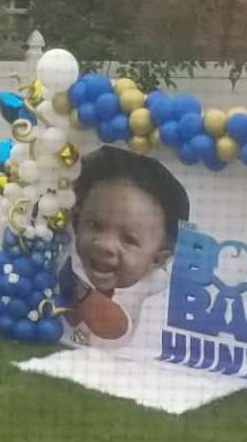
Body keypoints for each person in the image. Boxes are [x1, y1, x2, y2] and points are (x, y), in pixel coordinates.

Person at [57, 146, 187, 357]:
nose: (104, 245)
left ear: (157, 259)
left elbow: (115, 328)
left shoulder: (150, 282)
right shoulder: (70, 250)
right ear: (77, 219)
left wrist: (79, 291)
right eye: (94, 225)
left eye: (129, 239)